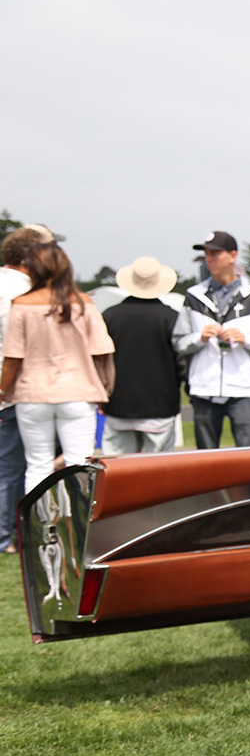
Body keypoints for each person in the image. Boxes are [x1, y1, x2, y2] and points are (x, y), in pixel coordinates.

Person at [0, 242, 114, 493]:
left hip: (33, 394)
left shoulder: (22, 304)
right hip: (78, 391)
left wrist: (2, 394)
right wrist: (105, 389)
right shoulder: (83, 302)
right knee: (79, 465)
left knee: (37, 466)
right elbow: (102, 351)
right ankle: (77, 526)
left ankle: (40, 528)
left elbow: (12, 357)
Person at [175, 231, 250, 448]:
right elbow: (179, 342)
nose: (209, 259)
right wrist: (199, 338)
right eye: (207, 254)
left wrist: (246, 339)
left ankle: (248, 485)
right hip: (204, 387)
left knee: (248, 454)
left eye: (215, 254)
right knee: (205, 457)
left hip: (243, 387)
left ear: (232, 256)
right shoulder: (194, 296)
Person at [0, 223, 56, 550]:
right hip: (17, 390)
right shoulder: (23, 294)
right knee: (17, 468)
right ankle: (10, 537)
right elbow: (18, 349)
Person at [100, 257, 182, 454]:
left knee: (119, 471)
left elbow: (100, 360)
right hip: (160, 404)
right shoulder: (170, 317)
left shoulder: (110, 316)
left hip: (118, 403)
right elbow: (181, 361)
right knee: (160, 470)